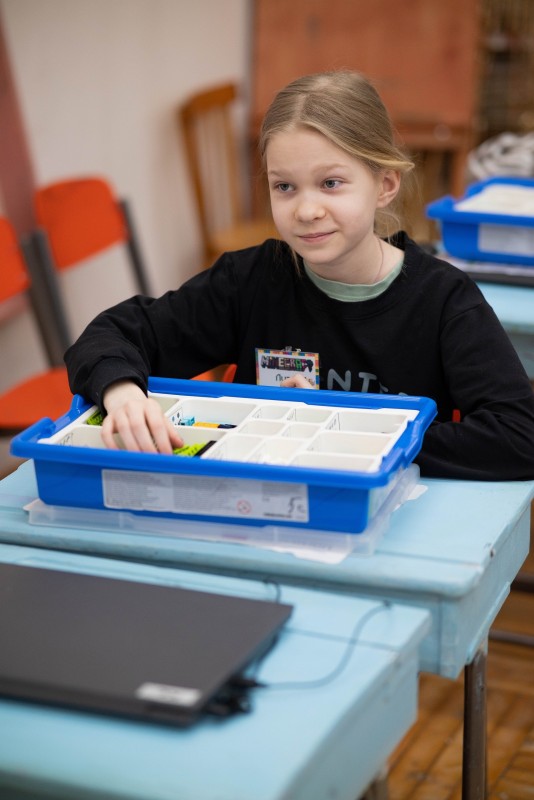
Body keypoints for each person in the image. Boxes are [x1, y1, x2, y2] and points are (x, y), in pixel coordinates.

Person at [65, 70, 534, 480]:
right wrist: (122, 394)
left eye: (331, 183)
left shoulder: (444, 300)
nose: (307, 210)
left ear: (385, 185)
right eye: (284, 186)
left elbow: (519, 436)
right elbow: (111, 335)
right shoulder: (249, 281)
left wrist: (341, 434)